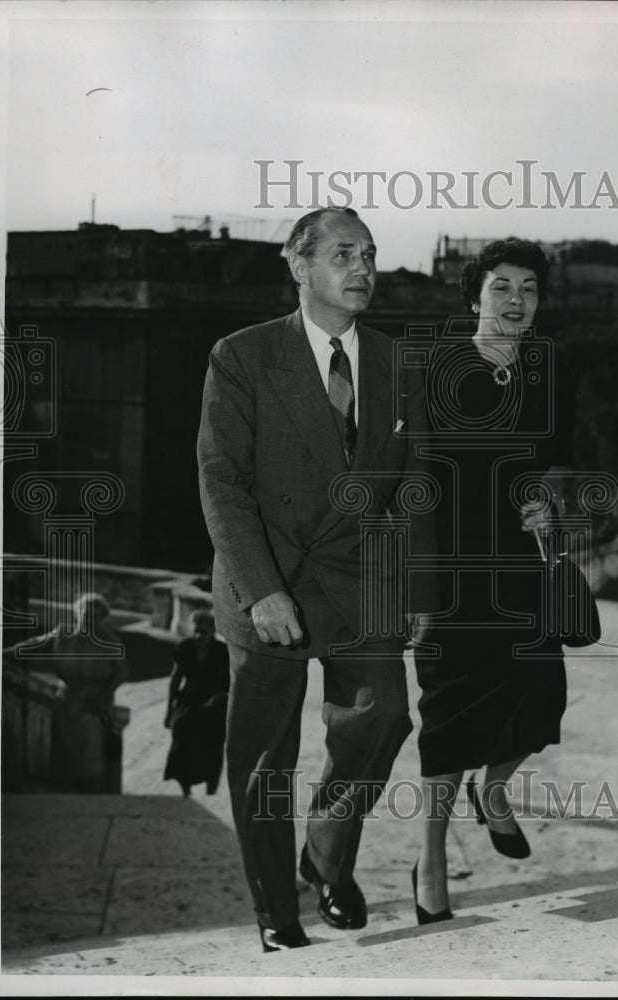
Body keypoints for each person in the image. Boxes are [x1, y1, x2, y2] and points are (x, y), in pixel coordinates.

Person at [197, 207, 435, 952]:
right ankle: (277, 911)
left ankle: (326, 854)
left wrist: (420, 588)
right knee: (265, 760)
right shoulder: (242, 356)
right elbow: (222, 481)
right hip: (267, 584)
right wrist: (261, 588)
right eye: (343, 254)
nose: (363, 268)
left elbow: (417, 484)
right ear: (299, 266)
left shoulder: (399, 362)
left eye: (369, 254)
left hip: (360, 581)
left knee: (384, 714)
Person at [412, 239, 575, 923]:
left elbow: (560, 459)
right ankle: (432, 855)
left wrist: (551, 498)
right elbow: (411, 478)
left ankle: (497, 791)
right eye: (501, 286)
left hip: (520, 561)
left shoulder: (549, 366)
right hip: (451, 568)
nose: (516, 300)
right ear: (473, 294)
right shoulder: (435, 366)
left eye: (529, 288)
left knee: (541, 696)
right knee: (451, 717)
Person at [6, 592, 127, 792]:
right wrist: (3, 653)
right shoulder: (63, 634)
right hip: (68, 700)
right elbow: (33, 644)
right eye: (87, 614)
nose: (90, 620)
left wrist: (102, 697)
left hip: (96, 704)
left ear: (103, 619)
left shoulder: (110, 640)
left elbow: (121, 673)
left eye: (96, 617)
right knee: (65, 753)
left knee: (91, 757)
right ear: (78, 614)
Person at [163, 610, 230, 796]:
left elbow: (231, 682)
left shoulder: (222, 651)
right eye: (197, 630)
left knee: (212, 750)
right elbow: (175, 679)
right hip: (188, 702)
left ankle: (211, 793)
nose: (200, 635)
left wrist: (219, 697)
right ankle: (186, 792)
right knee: (181, 744)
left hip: (214, 706)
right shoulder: (185, 647)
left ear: (213, 632)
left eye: (205, 632)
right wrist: (169, 710)